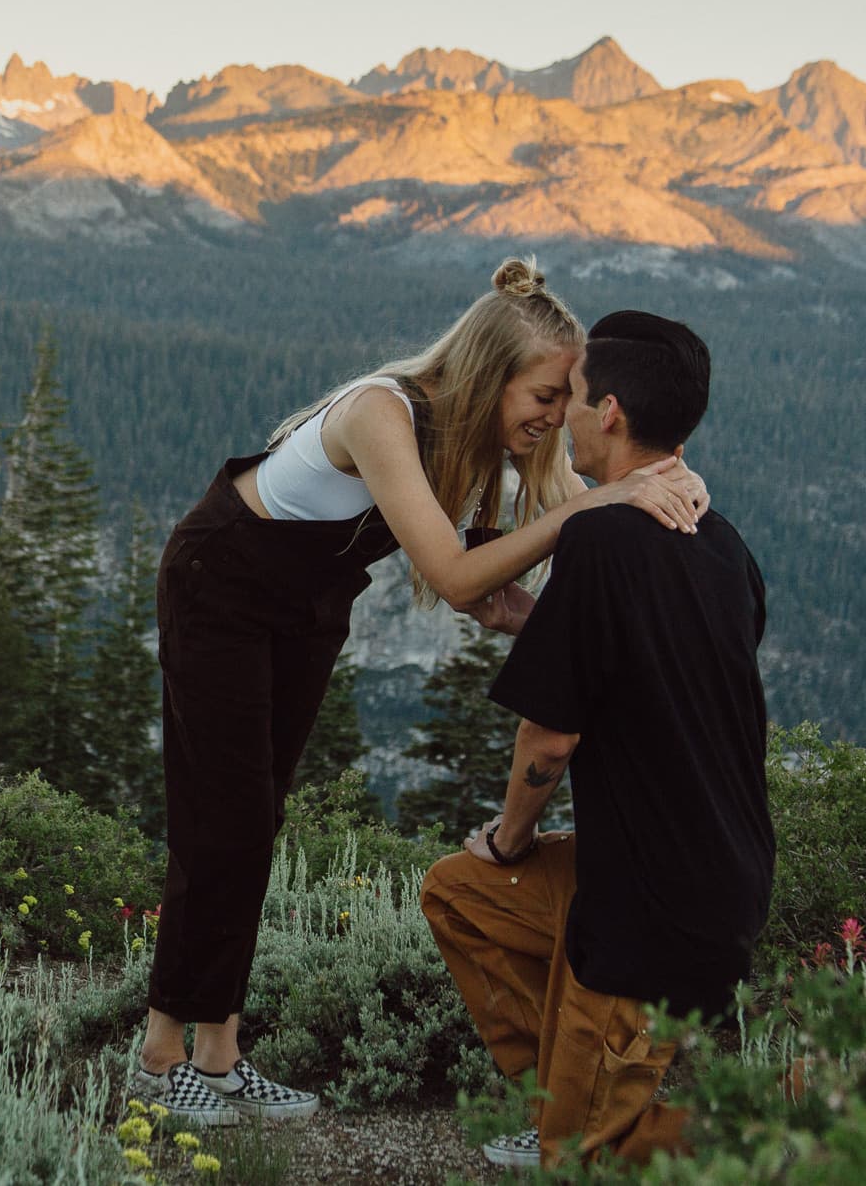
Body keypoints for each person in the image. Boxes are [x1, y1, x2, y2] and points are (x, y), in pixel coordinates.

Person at [132, 262, 713, 1127]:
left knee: (256, 816)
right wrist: (606, 503)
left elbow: (518, 570)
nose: (558, 416)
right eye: (548, 393)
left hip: (306, 605)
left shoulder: (487, 437)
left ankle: (218, 1053)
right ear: (491, 370)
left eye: (569, 399)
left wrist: (657, 487)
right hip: (221, 584)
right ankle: (159, 1055)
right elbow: (451, 573)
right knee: (227, 822)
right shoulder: (383, 412)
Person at [420, 310, 772, 1172]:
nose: (560, 417)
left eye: (571, 396)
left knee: (578, 1165)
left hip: (645, 912)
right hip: (716, 885)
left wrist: (512, 837)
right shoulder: (725, 547)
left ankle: (779, 1125)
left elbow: (549, 739)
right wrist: (531, 625)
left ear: (608, 411)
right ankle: (563, 1091)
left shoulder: (602, 537)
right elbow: (651, 675)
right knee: (461, 894)